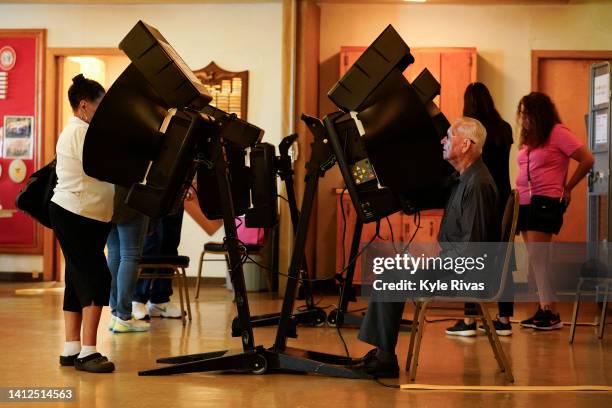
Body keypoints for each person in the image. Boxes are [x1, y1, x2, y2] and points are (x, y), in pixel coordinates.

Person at [356, 117, 499, 378]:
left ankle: (385, 358)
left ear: (466, 144)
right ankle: (383, 352)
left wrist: (430, 266)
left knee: (391, 276)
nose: (443, 141)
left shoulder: (477, 185)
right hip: (456, 267)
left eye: (449, 136)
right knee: (394, 270)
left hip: (468, 275)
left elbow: (472, 251)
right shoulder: (464, 178)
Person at [50, 74, 115, 373]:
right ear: (84, 105)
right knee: (97, 276)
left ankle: (71, 348)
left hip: (85, 214)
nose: (103, 112)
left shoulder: (83, 131)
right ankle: (89, 352)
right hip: (76, 213)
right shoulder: (79, 132)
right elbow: (104, 168)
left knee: (77, 278)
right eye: (101, 106)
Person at [515, 92, 594, 330]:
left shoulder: (558, 132)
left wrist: (568, 187)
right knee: (535, 260)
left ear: (538, 114)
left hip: (544, 201)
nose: (523, 118)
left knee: (540, 259)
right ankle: (545, 309)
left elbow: (587, 159)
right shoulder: (532, 138)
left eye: (526, 113)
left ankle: (550, 311)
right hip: (526, 202)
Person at [446, 82, 515, 337]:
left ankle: (470, 319)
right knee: (505, 259)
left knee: (472, 252)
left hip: (480, 196)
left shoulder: (473, 134)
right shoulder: (504, 128)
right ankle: (504, 319)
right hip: (504, 200)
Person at [107, 185, 150, 333]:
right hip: (131, 195)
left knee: (114, 254)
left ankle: (115, 315)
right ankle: (124, 317)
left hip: (106, 196)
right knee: (130, 255)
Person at [131, 207, 185, 320]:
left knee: (170, 245)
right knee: (150, 243)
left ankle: (160, 300)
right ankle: (137, 299)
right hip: (153, 193)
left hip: (176, 195)